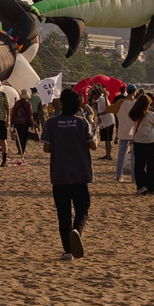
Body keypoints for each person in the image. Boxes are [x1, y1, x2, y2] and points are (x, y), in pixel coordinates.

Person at [42, 86, 95, 259]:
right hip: (80, 173)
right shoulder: (82, 122)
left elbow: (46, 148)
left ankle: (67, 251)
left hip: (59, 174)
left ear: (62, 104)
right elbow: (93, 145)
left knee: (63, 213)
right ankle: (76, 230)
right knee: (82, 207)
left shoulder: (51, 122)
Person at [128, 91, 154, 196]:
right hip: (150, 142)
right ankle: (152, 187)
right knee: (153, 166)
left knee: (139, 165)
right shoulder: (150, 114)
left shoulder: (134, 114)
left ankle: (141, 186)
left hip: (138, 141)